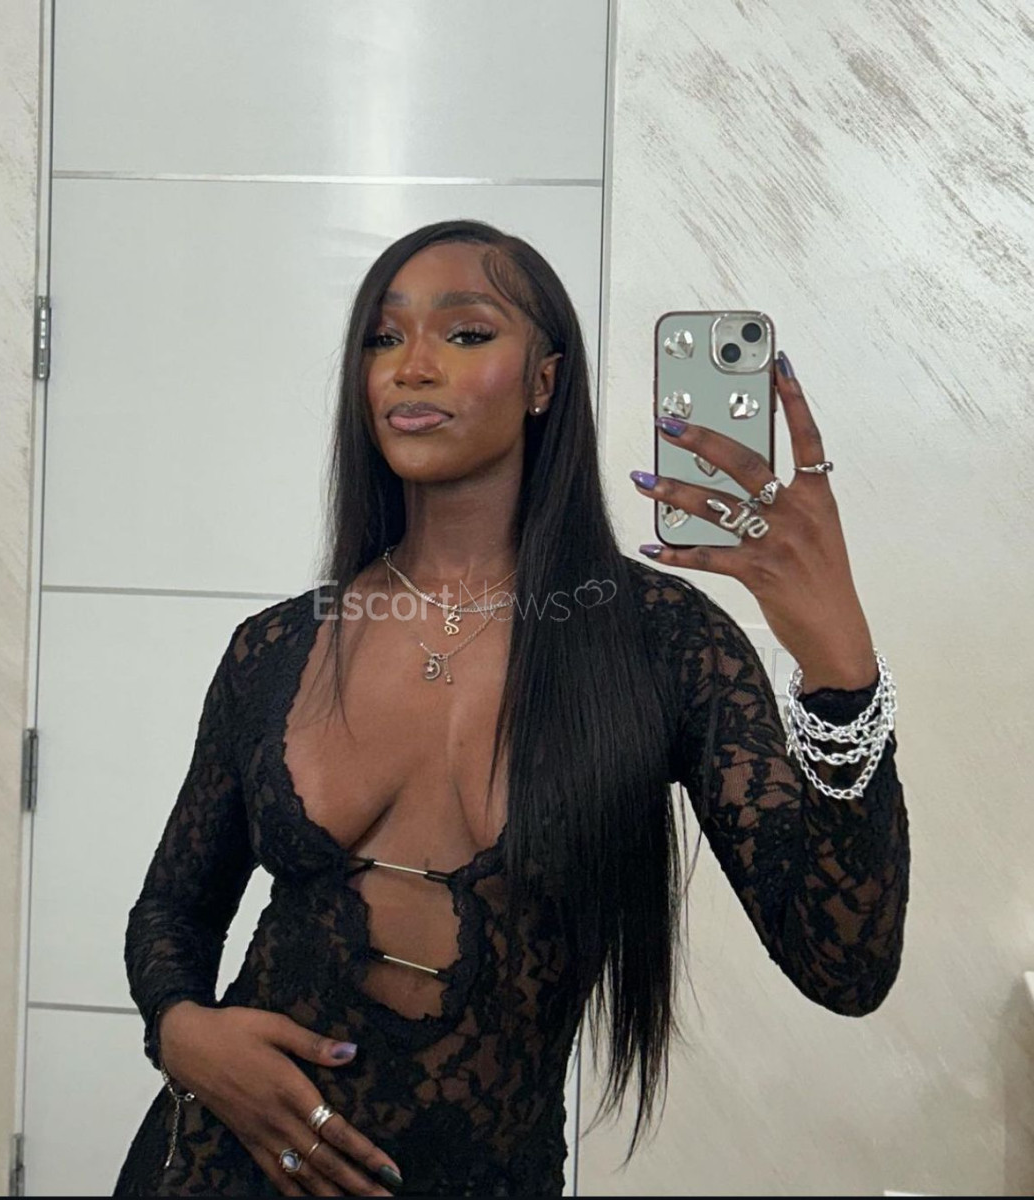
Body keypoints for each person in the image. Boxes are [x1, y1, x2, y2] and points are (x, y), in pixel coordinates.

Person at [112, 219, 909, 1197]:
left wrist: (839, 665)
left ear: (543, 381)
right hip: (214, 1169)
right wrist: (181, 1031)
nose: (411, 366)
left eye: (465, 333)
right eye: (383, 337)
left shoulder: (662, 642)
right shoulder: (275, 649)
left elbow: (845, 964)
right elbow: (173, 909)